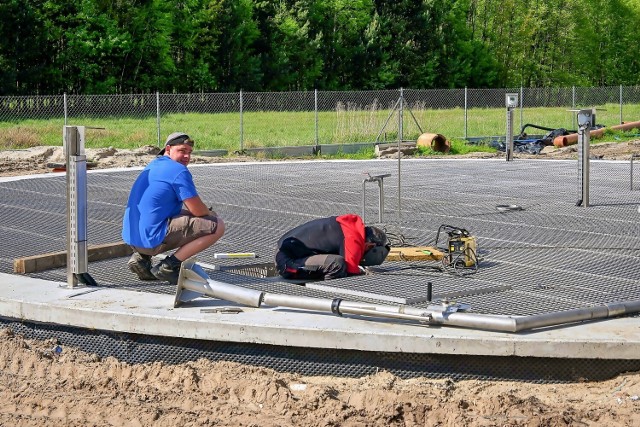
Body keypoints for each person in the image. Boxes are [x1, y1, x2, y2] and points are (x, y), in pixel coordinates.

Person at [122, 132, 225, 284]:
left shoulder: (153, 165)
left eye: (189, 153)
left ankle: (141, 259)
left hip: (132, 238)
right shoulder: (178, 171)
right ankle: (169, 266)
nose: (187, 157)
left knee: (169, 215)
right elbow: (197, 210)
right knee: (217, 225)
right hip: (152, 240)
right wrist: (210, 213)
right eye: (182, 151)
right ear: (168, 149)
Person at [275, 214, 390, 281]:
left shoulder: (350, 227)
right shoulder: (352, 238)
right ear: (370, 245)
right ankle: (328, 293)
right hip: (286, 263)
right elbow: (352, 272)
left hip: (288, 253)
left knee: (335, 262)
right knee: (337, 264)